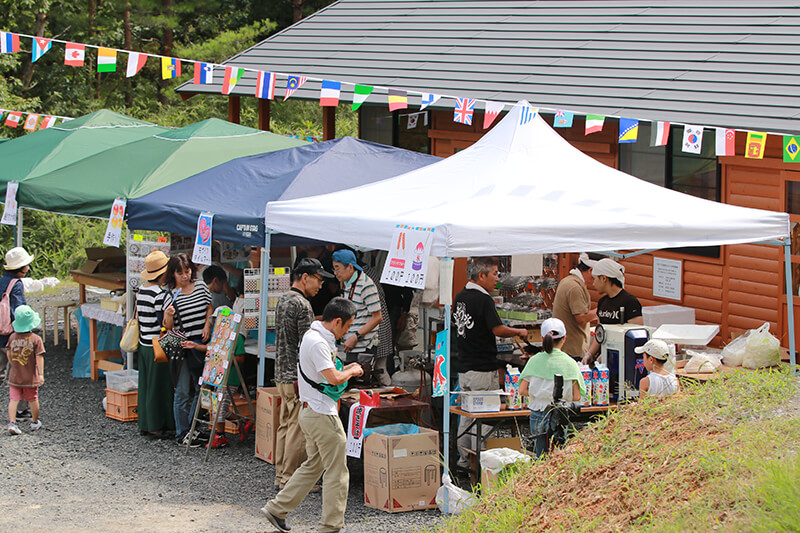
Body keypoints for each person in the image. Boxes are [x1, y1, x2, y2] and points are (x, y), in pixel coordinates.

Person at [261, 298, 364, 533]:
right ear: (337, 321)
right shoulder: (318, 342)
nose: (346, 332)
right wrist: (353, 370)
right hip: (322, 414)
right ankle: (331, 525)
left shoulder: (311, 336)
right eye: (347, 326)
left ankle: (277, 509)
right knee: (337, 471)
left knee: (313, 466)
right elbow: (334, 378)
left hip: (310, 413)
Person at [453, 257, 527, 468]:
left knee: (467, 417)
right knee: (483, 420)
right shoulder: (483, 300)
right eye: (494, 274)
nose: (497, 278)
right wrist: (518, 331)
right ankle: (482, 464)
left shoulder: (460, 297)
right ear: (482, 275)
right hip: (482, 369)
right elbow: (498, 329)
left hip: (465, 368)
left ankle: (464, 460)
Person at [274, 258, 332, 489]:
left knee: (285, 425)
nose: (320, 286)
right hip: (296, 376)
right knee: (297, 429)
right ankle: (289, 479)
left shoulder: (283, 299)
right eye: (318, 280)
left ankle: (280, 475)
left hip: (280, 372)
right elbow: (306, 345)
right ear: (305, 277)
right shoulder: (302, 305)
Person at [181, 307, 253, 448]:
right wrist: (195, 346)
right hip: (218, 376)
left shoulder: (235, 337)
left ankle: (221, 436)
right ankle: (241, 423)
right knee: (218, 407)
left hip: (230, 377)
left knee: (219, 407)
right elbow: (210, 348)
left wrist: (224, 358)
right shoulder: (218, 335)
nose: (216, 322)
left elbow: (241, 358)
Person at [163, 253, 213, 446]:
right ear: (173, 274)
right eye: (180, 273)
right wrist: (168, 315)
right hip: (182, 347)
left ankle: (191, 428)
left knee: (202, 387)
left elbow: (209, 307)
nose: (185, 276)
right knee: (182, 390)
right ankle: (182, 432)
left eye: (187, 271)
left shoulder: (200, 286)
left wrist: (207, 324)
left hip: (200, 343)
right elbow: (167, 327)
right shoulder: (169, 295)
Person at [519, 318, 586, 457]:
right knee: (558, 458)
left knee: (541, 456)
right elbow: (577, 396)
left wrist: (539, 394)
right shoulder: (571, 363)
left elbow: (522, 390)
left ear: (543, 338)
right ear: (564, 338)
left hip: (538, 412)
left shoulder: (534, 361)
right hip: (560, 414)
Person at [332, 249, 386, 385]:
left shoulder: (366, 284)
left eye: (337, 268)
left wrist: (356, 336)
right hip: (351, 345)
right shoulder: (347, 284)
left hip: (363, 347)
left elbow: (378, 317)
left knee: (359, 386)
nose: (335, 273)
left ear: (350, 267)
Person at [136, 251, 175, 439]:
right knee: (158, 386)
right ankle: (155, 425)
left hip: (143, 343)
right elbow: (166, 325)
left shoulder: (142, 290)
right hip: (157, 345)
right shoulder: (161, 295)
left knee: (145, 385)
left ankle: (145, 422)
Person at [583, 258, 643, 365]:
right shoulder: (602, 302)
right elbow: (599, 333)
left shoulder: (630, 301)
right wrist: (590, 354)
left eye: (595, 279)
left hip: (623, 361)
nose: (593, 284)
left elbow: (636, 335)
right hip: (603, 361)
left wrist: (612, 352)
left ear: (604, 278)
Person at [0, 246, 34, 421]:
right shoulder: (17, 285)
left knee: (0, 370)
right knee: (20, 372)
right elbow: (19, 312)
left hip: (0, 334)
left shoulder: (1, 281)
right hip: (13, 335)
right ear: (21, 267)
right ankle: (21, 410)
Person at [6, 305, 45, 435]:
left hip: (15, 376)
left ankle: (12, 423)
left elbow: (8, 353)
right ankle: (34, 422)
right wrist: (40, 374)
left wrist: (13, 363)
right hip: (30, 377)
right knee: (33, 399)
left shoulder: (12, 337)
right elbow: (39, 358)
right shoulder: (36, 339)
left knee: (14, 399)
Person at [552, 253, 596, 359]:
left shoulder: (568, 281)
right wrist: (602, 310)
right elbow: (581, 318)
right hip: (571, 350)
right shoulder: (575, 287)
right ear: (590, 271)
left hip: (564, 347)